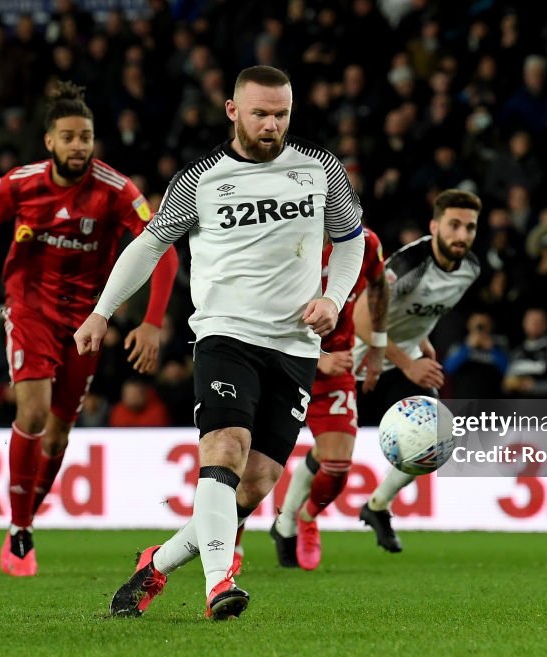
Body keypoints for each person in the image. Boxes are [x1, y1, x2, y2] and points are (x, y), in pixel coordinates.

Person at [73, 65, 365, 620]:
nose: (272, 124)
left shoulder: (319, 169)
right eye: (260, 113)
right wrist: (101, 312)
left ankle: (154, 563)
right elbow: (150, 245)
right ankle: (218, 583)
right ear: (232, 111)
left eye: (281, 114)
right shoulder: (201, 180)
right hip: (226, 334)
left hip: (296, 346)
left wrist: (333, 298)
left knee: (252, 487)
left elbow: (349, 242)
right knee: (223, 449)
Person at [0, 81, 179, 577]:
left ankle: (27, 518)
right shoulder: (19, 184)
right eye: (69, 137)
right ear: (49, 141)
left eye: (86, 136)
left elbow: (166, 247)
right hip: (29, 311)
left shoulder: (116, 191)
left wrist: (152, 322)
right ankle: (20, 529)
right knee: (33, 411)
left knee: (59, 434)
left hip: (85, 322)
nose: (79, 145)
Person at [353, 189, 482, 553]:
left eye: (469, 227)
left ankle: (377, 506)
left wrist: (420, 342)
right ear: (434, 226)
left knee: (436, 438)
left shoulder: (470, 268)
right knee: (331, 456)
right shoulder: (409, 265)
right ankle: (287, 523)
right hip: (361, 359)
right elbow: (362, 320)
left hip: (404, 360)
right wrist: (409, 362)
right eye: (454, 225)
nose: (461, 235)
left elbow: (424, 310)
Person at [269, 226, 388, 571]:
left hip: (337, 363)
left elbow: (379, 287)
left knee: (337, 467)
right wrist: (318, 358)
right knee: (249, 464)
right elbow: (262, 310)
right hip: (276, 359)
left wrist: (378, 347)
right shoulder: (281, 240)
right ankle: (232, 549)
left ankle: (304, 517)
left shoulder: (365, 242)